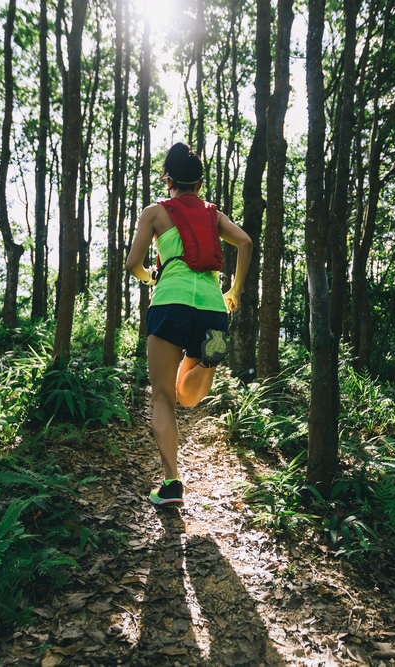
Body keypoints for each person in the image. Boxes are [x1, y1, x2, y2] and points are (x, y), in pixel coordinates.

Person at [125, 142, 253, 507]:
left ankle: (171, 484)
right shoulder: (214, 215)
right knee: (189, 395)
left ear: (169, 180)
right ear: (199, 184)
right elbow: (244, 241)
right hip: (213, 307)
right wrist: (235, 289)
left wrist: (149, 276)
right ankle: (209, 360)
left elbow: (132, 262)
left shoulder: (155, 212)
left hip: (170, 303)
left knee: (164, 396)